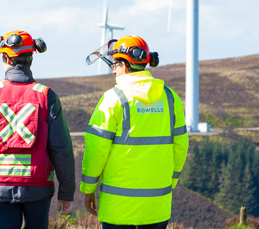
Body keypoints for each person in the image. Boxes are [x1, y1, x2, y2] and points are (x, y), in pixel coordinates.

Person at [0, 30, 75, 229]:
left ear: (6, 58)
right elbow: (61, 147)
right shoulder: (46, 96)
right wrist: (66, 191)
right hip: (39, 187)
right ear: (31, 58)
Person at [80, 35, 188, 229]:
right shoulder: (170, 98)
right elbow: (181, 146)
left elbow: (96, 149)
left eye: (114, 64)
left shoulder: (113, 99)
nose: (113, 70)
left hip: (118, 208)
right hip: (157, 207)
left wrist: (89, 188)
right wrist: (170, 182)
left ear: (124, 65)